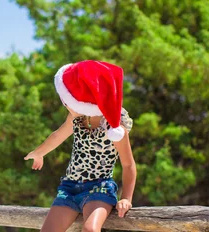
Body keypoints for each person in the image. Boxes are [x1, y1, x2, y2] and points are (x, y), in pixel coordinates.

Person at [24, 60, 136, 232]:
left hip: (100, 188)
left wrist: (126, 198)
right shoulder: (78, 118)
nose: (65, 105)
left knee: (90, 229)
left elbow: (128, 165)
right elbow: (58, 135)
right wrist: (39, 153)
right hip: (69, 188)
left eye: (67, 102)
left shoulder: (116, 130)